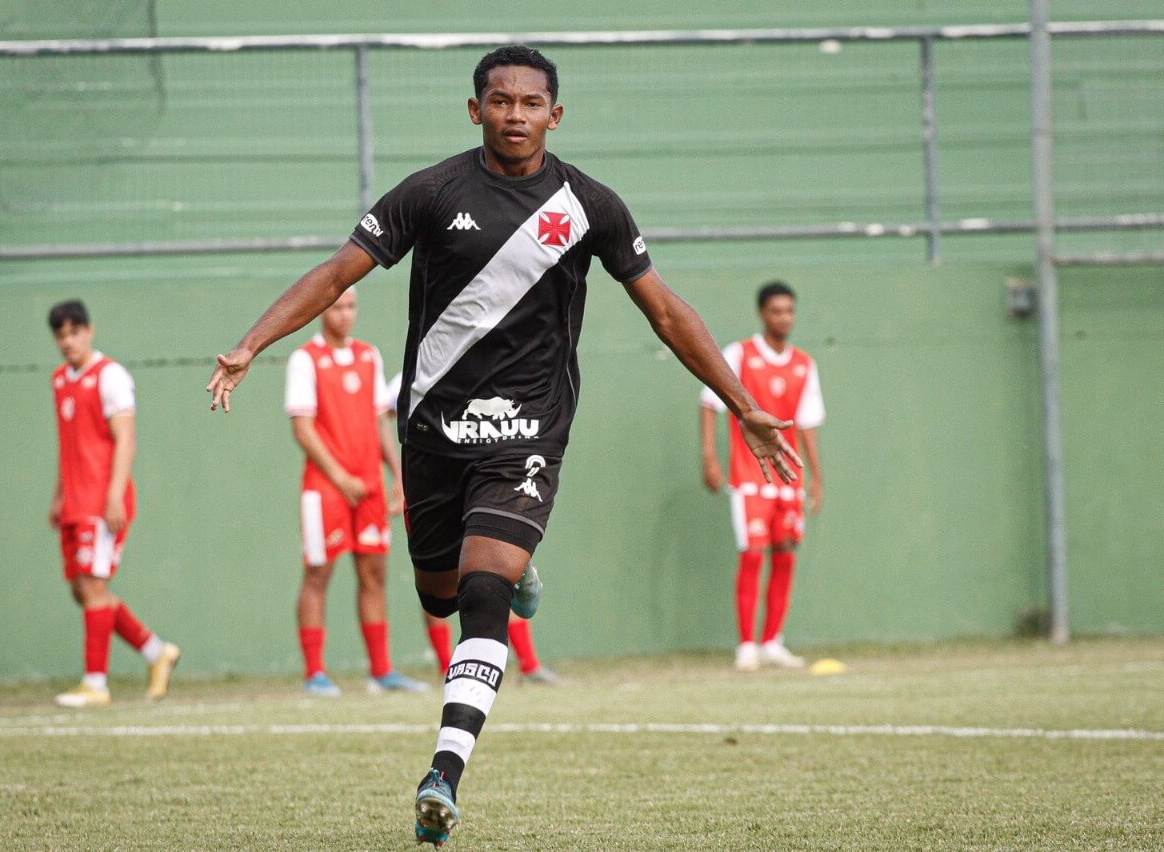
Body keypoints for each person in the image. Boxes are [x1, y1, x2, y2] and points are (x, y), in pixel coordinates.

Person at [206, 46, 800, 846]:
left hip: (526, 433)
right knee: (439, 596)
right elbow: (338, 272)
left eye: (530, 103)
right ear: (475, 108)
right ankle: (509, 570)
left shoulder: (591, 206)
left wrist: (742, 404)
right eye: (500, 101)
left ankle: (443, 775)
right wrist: (251, 343)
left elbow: (664, 310)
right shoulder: (430, 193)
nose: (515, 115)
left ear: (556, 114)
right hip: (432, 432)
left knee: (482, 594)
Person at [284, 288, 426, 696]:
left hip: (368, 486)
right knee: (318, 573)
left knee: (374, 574)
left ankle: (381, 671)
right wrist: (340, 477)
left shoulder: (369, 355)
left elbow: (381, 421)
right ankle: (315, 673)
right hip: (326, 488)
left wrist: (397, 476)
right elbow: (303, 430)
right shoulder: (304, 359)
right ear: (321, 310)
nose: (345, 314)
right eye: (337, 307)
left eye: (351, 306)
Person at [384, 375, 563, 686]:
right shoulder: (421, 370)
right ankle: (447, 666)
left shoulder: (504, 370)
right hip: (433, 481)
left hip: (488, 474)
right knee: (436, 584)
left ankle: (528, 663)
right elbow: (382, 415)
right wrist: (399, 475)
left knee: (490, 575)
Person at [48, 300, 180, 708]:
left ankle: (96, 684)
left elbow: (126, 438)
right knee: (83, 590)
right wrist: (59, 494)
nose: (68, 342)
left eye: (75, 332)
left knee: (93, 586)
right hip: (74, 500)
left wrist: (114, 494)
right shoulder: (60, 380)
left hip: (102, 498)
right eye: (61, 335)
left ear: (89, 331)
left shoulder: (111, 376)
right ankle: (157, 652)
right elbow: (70, 443)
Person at [699, 281, 825, 672]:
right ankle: (746, 645)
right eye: (776, 310)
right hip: (749, 474)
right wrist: (710, 457)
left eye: (789, 310)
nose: (784, 317)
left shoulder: (804, 364)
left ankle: (772, 641)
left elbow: (807, 424)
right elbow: (709, 403)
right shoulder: (739, 354)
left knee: (785, 553)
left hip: (788, 477)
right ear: (761, 314)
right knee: (752, 555)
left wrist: (816, 478)